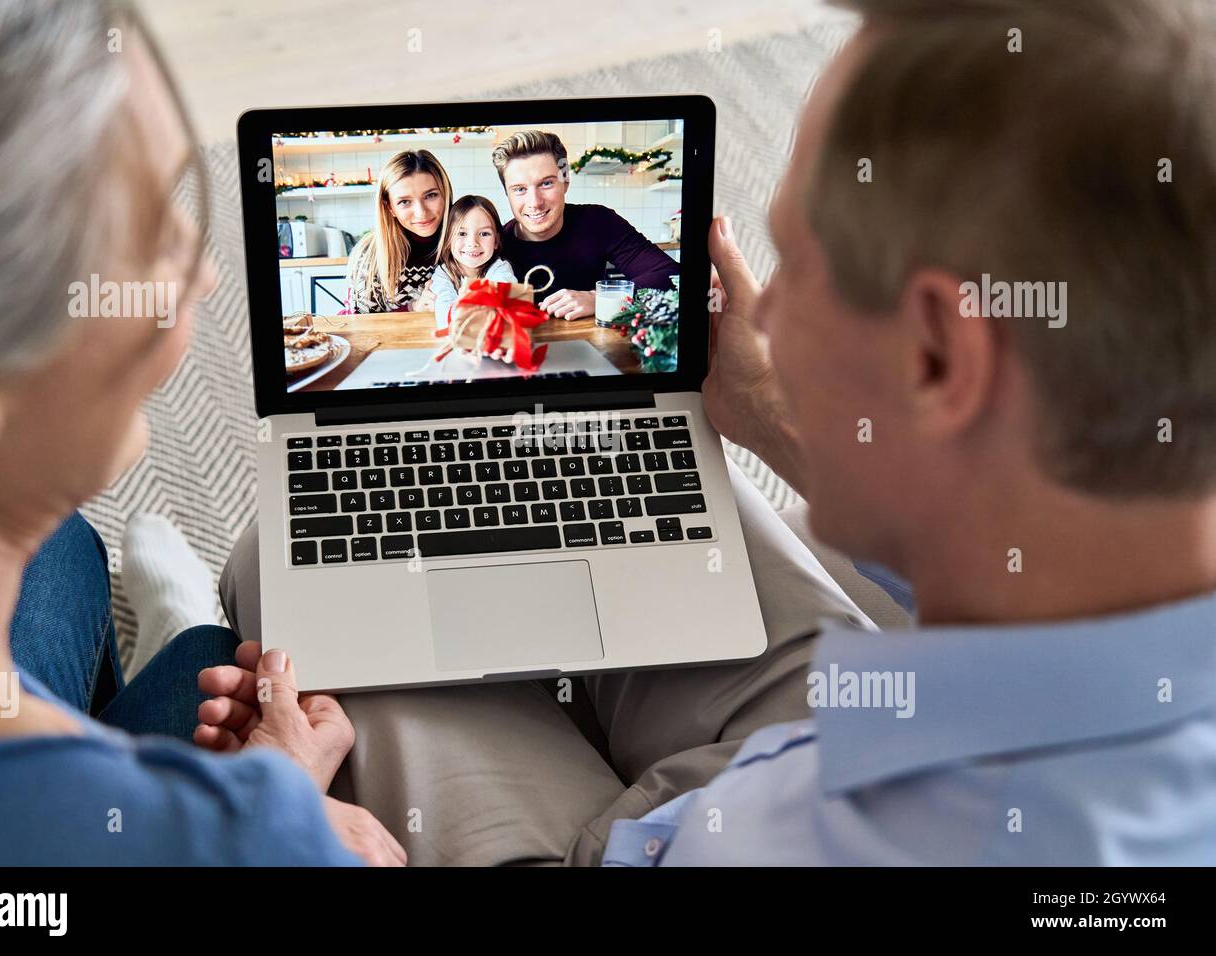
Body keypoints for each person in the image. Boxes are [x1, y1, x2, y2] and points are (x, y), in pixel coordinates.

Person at [216, 0, 1216, 866]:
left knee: (289, 585)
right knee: (635, 490)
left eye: (796, 266)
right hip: (848, 723)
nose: (763, 313)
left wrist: (293, 820)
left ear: (936, 355)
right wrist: (774, 416)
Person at [0, 0, 402, 867]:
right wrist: (273, 812)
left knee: (64, 548)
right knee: (216, 661)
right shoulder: (247, 844)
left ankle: (156, 645)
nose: (203, 271)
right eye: (149, 238)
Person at [492, 130, 678, 320]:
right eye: (520, 189)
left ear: (565, 182)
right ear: (507, 193)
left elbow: (672, 276)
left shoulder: (598, 222)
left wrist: (600, 299)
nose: (535, 202)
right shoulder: (496, 244)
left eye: (546, 183)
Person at [344, 150, 453, 315]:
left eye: (430, 195)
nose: (421, 212)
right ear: (390, 207)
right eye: (404, 201)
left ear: (446, 194)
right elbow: (360, 324)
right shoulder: (370, 255)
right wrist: (412, 308)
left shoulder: (464, 240)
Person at [430, 195, 518, 332]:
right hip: (457, 341)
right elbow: (443, 311)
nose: (472, 243)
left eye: (484, 234)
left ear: (496, 241)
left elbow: (503, 300)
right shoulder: (443, 274)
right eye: (462, 233)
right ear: (448, 239)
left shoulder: (501, 269)